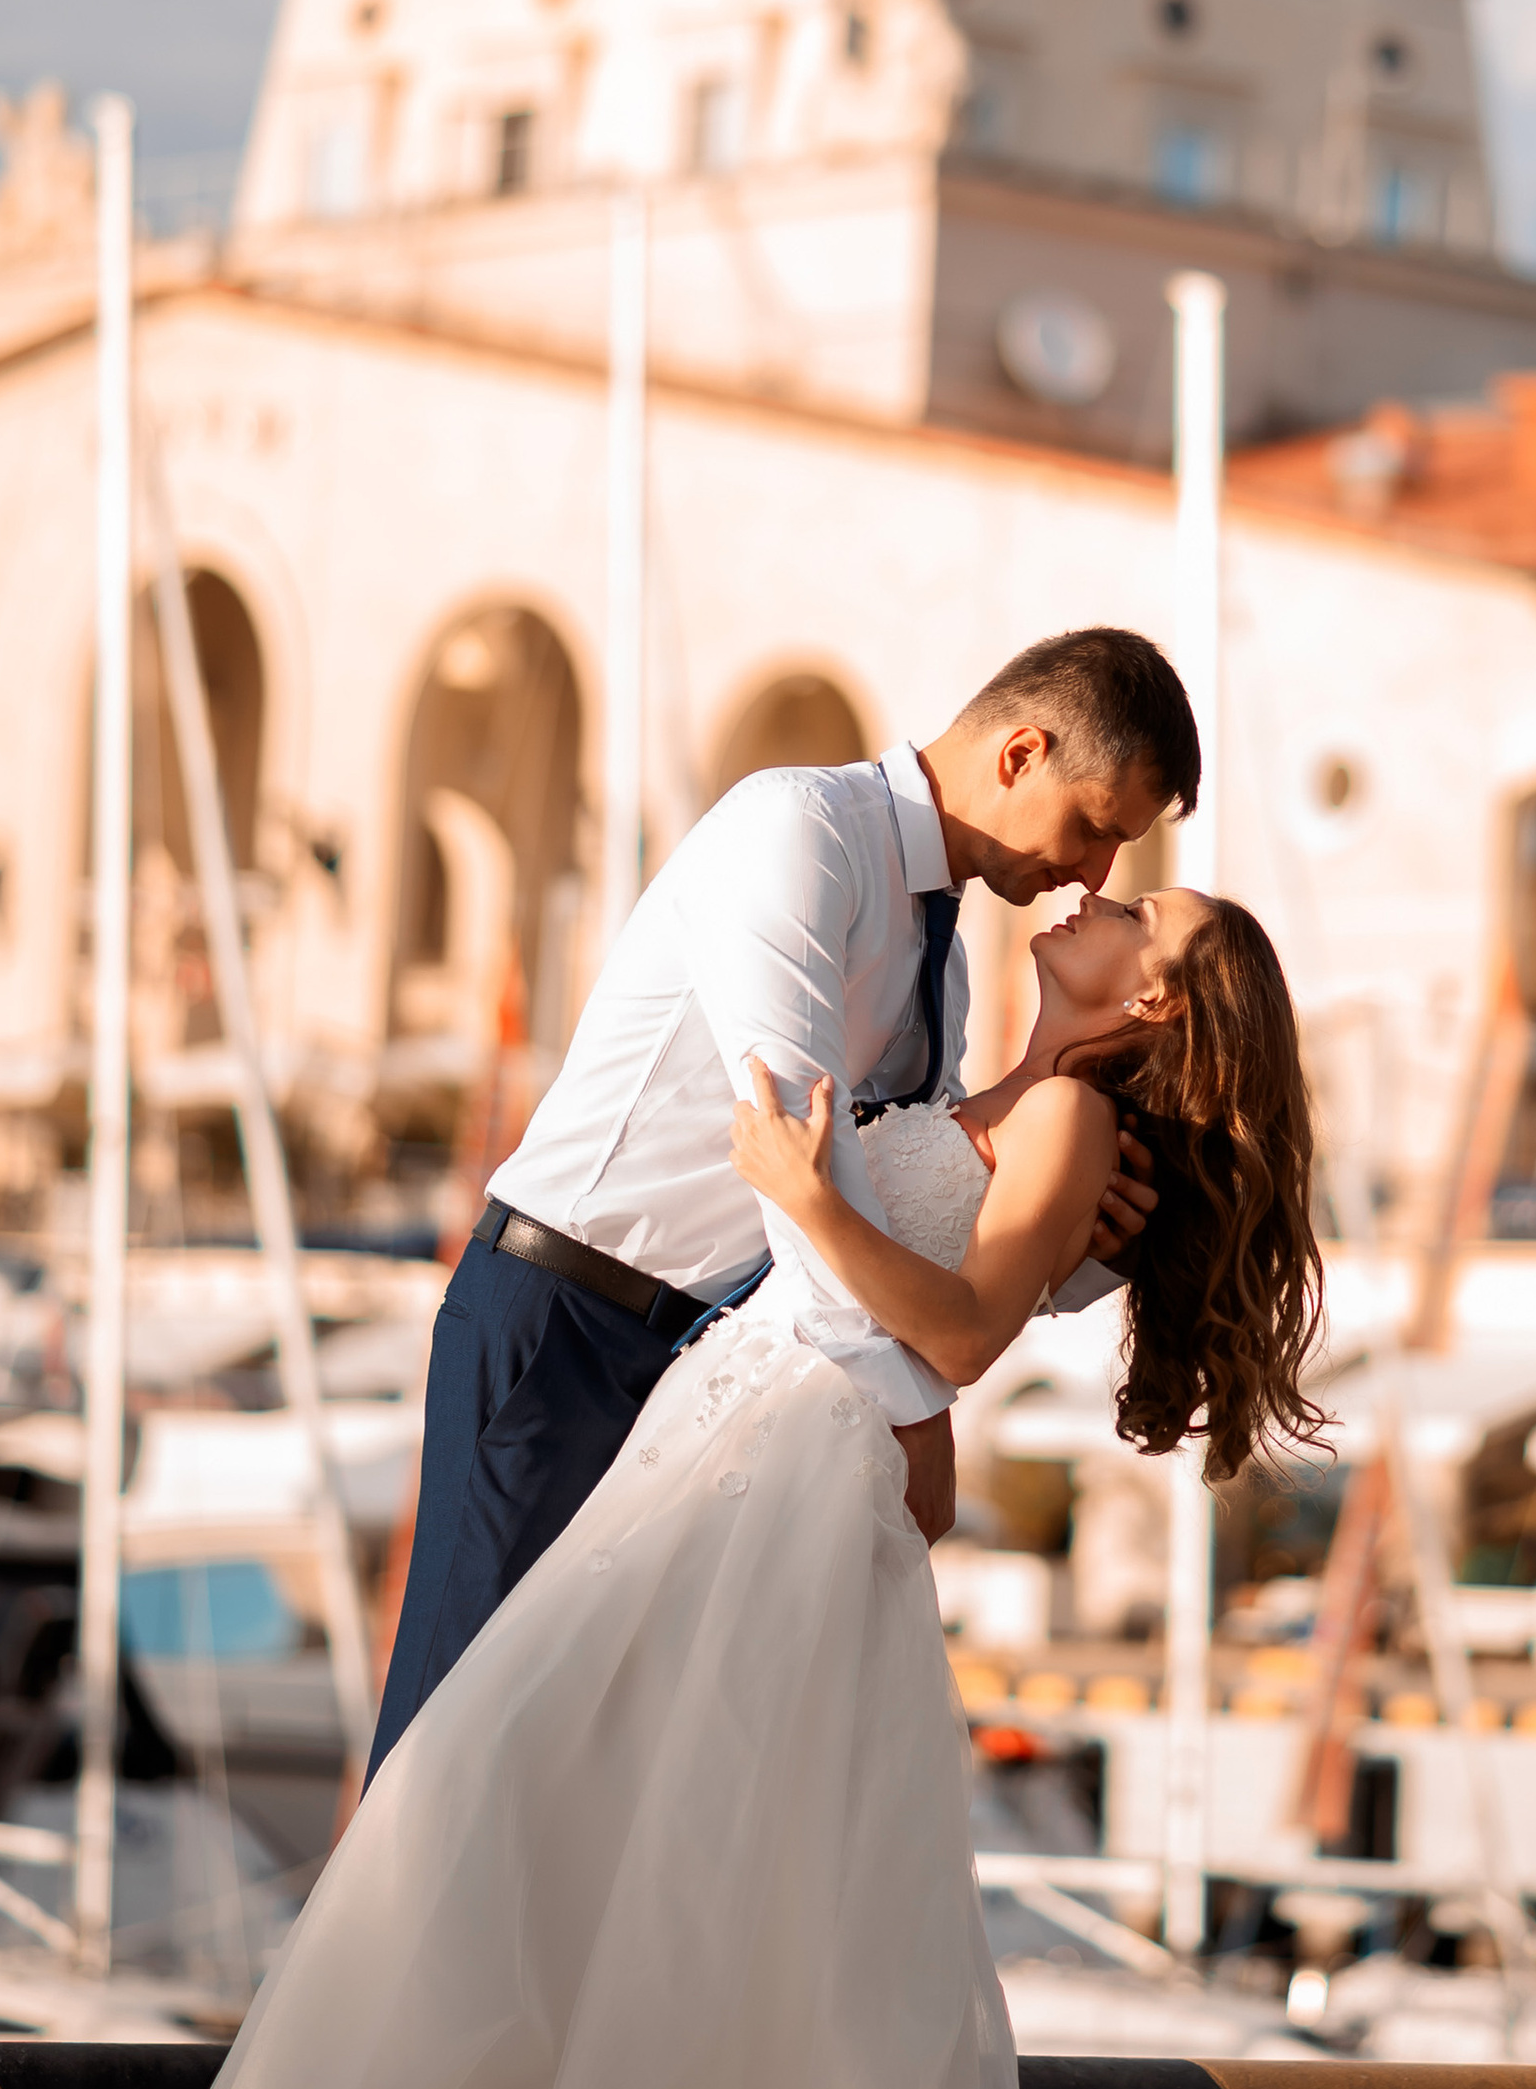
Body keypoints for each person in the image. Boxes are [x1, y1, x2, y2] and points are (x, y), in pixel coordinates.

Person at [154, 881, 1536, 2089]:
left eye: (1137, 910)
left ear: (1154, 1006)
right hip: (738, 1469)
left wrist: (811, 1197)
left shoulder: (1078, 1128)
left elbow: (949, 1339)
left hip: (771, 1508)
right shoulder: (1035, 1100)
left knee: (592, 1850)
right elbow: (928, 1384)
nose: (1097, 895)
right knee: (572, 1845)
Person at [366, 627, 1193, 1794]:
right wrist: (919, 1420)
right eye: (1098, 823)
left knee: (587, 1794)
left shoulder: (940, 960)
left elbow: (897, 1203)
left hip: (696, 1368)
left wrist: (1072, 1257)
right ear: (1022, 753)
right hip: (562, 1321)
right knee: (446, 1770)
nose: (1096, 870)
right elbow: (800, 1174)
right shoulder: (796, 834)